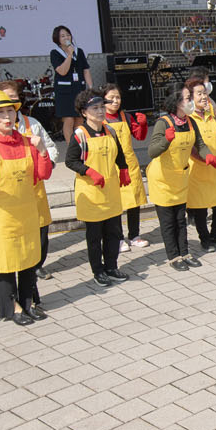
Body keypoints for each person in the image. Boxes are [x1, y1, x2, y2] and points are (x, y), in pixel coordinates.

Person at [0, 90, 53, 325]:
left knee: (28, 259)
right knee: (7, 264)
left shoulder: (27, 141)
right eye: (0, 113)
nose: (7, 117)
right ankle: (13, 307)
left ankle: (28, 303)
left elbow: (43, 174)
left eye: (10, 111)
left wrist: (42, 151)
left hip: (26, 212)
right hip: (1, 216)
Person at [66, 89, 135, 286]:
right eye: (94, 108)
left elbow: (119, 153)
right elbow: (70, 161)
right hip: (91, 193)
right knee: (95, 236)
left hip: (110, 190)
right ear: (84, 112)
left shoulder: (110, 130)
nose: (100, 111)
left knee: (113, 233)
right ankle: (98, 271)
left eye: (101, 107)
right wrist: (89, 171)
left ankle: (112, 267)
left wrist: (123, 169)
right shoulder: (80, 135)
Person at [0, 78, 59, 280]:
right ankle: (18, 265)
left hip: (35, 187)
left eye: (13, 98)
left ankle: (38, 264)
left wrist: (47, 162)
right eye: (5, 98)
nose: (10, 104)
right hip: (10, 191)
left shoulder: (32, 123)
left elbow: (51, 147)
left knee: (40, 227)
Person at [147, 82, 198, 271]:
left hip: (180, 178)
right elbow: (152, 151)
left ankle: (185, 252)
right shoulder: (163, 123)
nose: (191, 102)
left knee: (180, 220)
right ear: (176, 102)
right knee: (168, 222)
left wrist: (210, 157)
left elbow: (199, 144)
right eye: (188, 98)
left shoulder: (190, 122)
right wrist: (165, 140)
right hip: (163, 180)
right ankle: (173, 256)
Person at [99, 87, 150, 251]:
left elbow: (139, 136)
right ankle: (118, 238)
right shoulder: (100, 120)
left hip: (130, 164)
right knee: (116, 204)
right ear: (103, 99)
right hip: (111, 166)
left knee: (134, 202)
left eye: (118, 97)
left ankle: (134, 235)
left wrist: (142, 124)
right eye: (111, 97)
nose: (116, 101)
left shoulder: (125, 117)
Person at [185, 78, 216, 251]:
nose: (204, 97)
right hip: (198, 170)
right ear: (190, 98)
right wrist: (207, 159)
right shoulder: (188, 119)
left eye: (205, 93)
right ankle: (204, 238)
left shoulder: (210, 115)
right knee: (201, 208)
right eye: (199, 94)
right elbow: (191, 147)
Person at [48, 25, 94, 142]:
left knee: (79, 119)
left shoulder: (79, 51)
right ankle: (71, 147)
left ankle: (81, 144)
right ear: (57, 39)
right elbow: (62, 71)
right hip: (64, 91)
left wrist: (90, 87)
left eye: (68, 35)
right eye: (62, 36)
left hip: (79, 88)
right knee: (68, 119)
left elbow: (86, 70)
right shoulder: (55, 53)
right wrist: (69, 55)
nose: (66, 38)